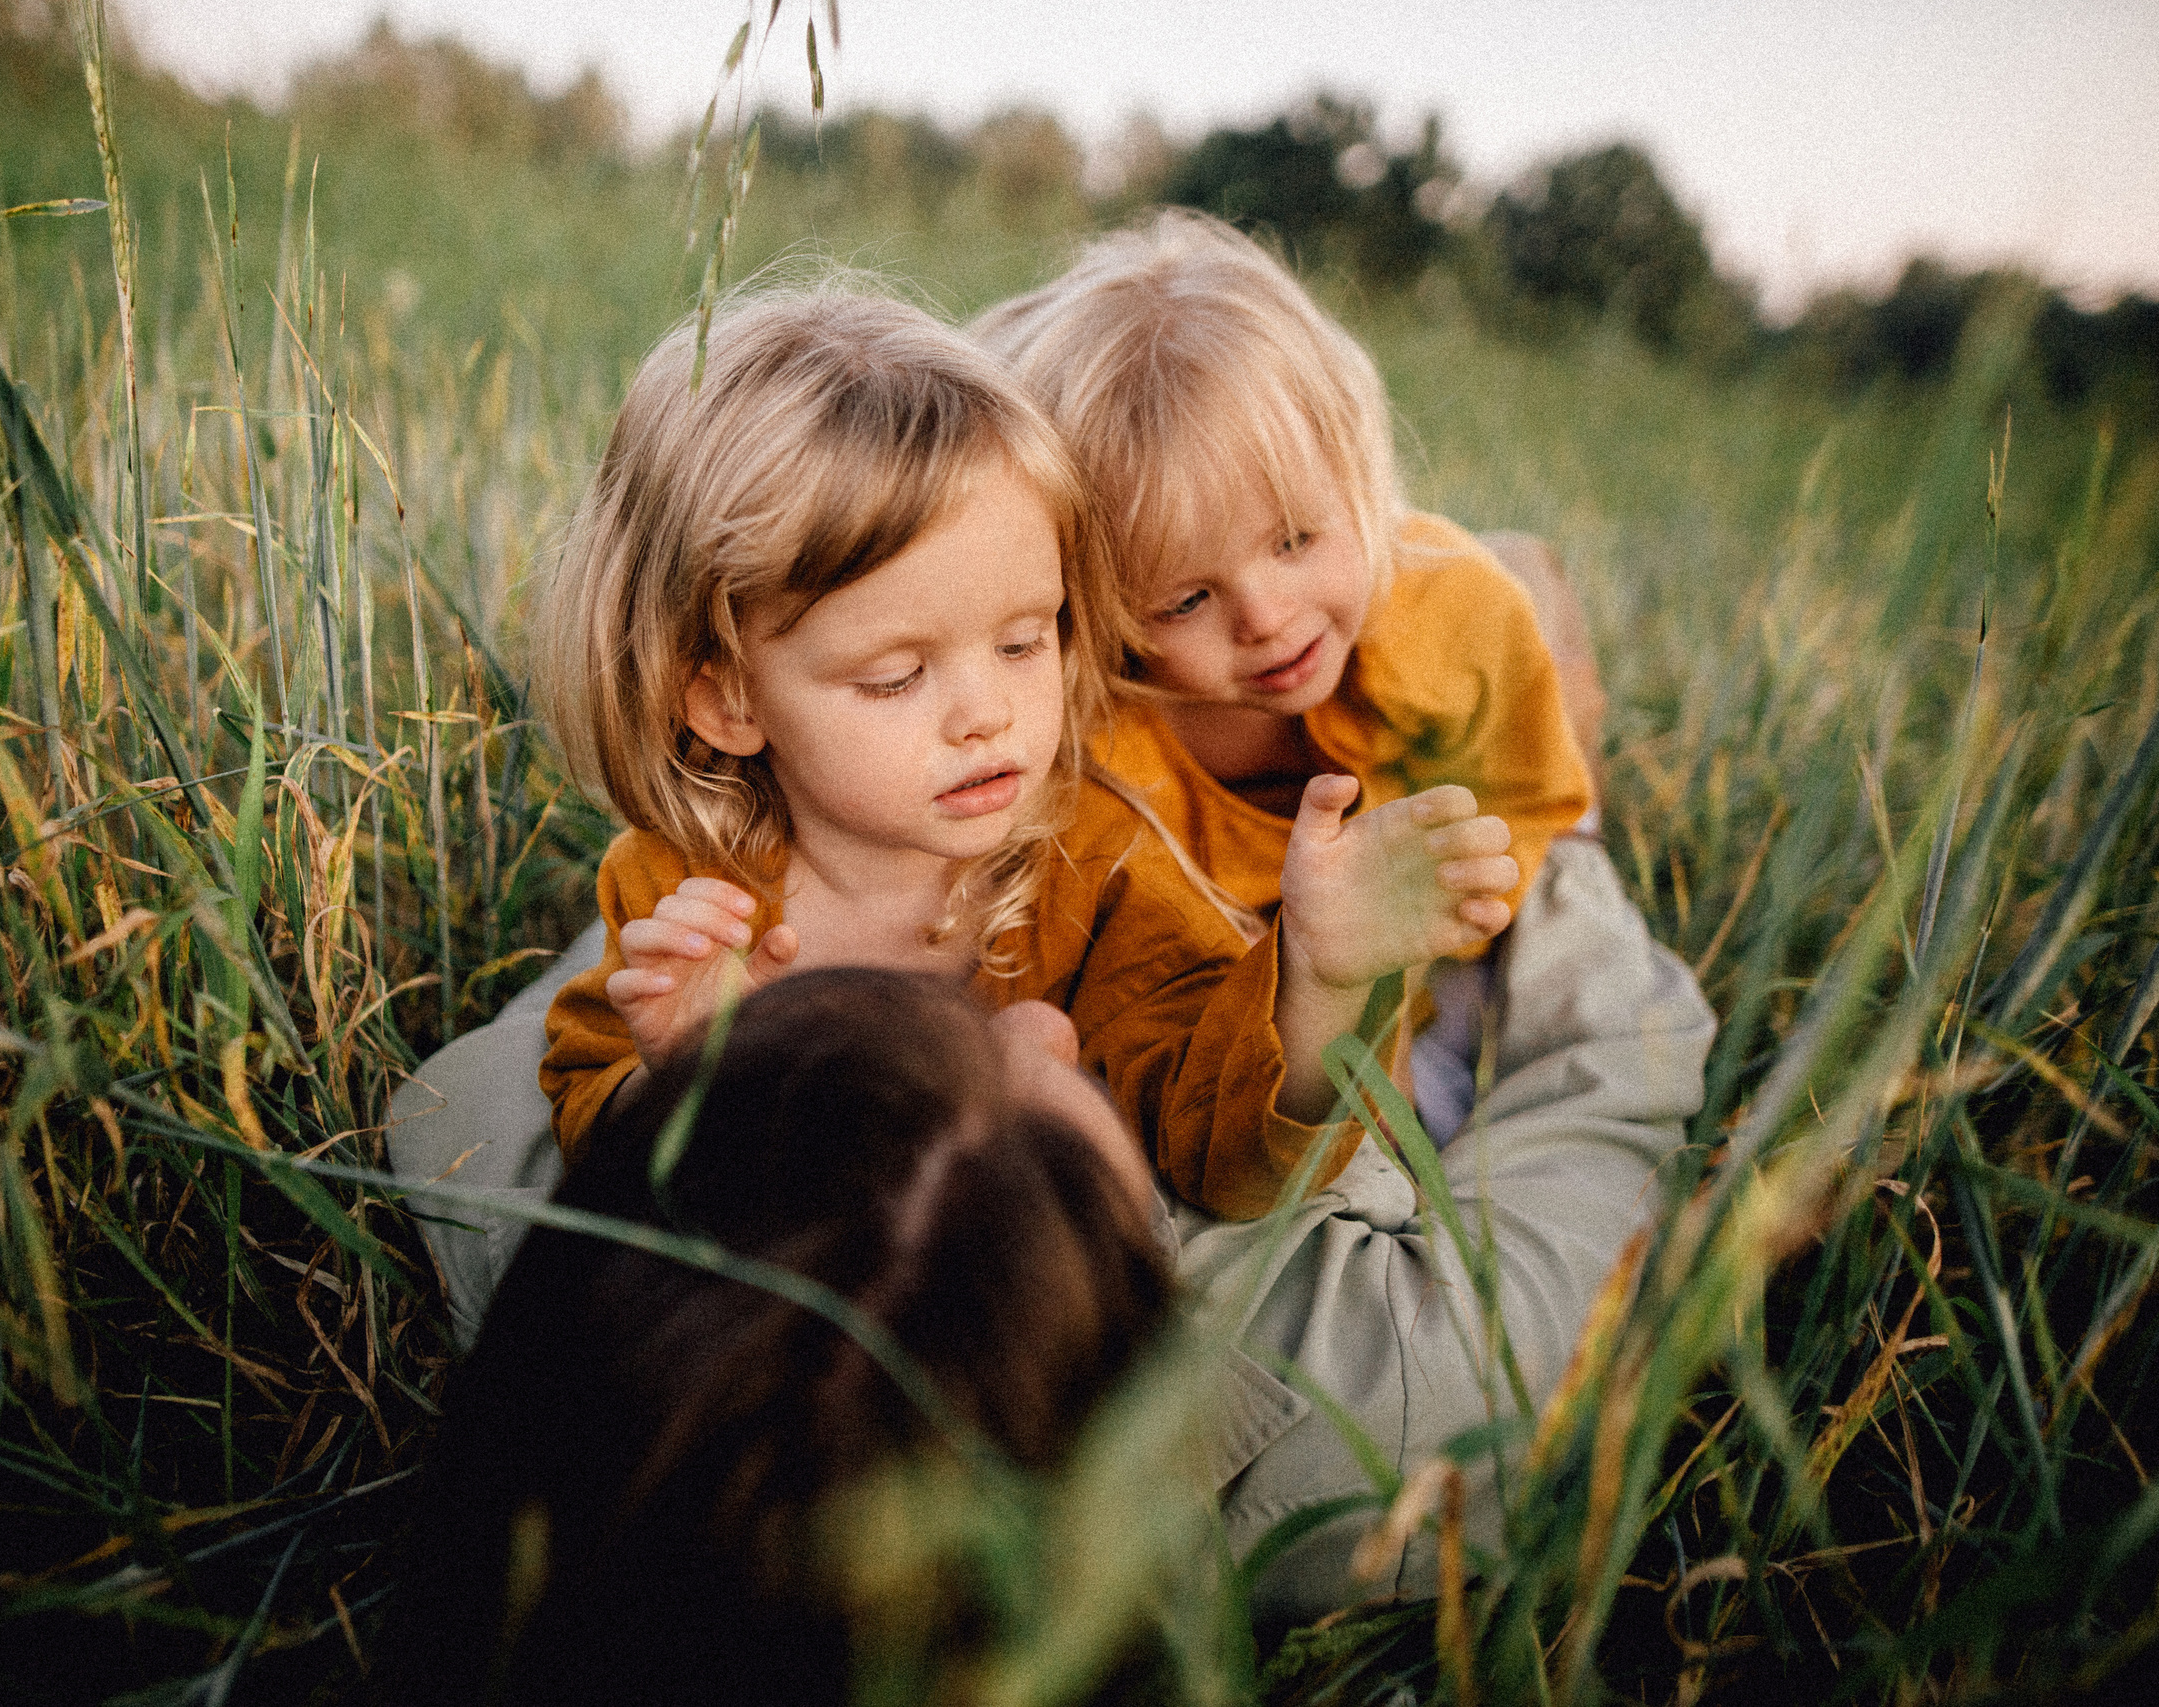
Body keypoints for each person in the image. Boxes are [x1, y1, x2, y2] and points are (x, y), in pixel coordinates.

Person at [533, 284, 1521, 1218]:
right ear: (725, 699)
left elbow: (1224, 1157)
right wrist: (693, 1081)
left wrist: (1320, 980)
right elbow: (589, 1107)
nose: (987, 715)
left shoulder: (1095, 862)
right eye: (894, 677)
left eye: (1023, 641)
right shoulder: (688, 888)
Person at [376, 968, 1183, 1706]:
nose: (1039, 1022)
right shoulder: (1289, 1455)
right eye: (1078, 1106)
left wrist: (705, 1048)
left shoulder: (458, 1124)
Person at [971, 208, 1598, 1143]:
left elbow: (1524, 784)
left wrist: (1458, 910)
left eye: (1298, 539)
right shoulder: (1101, 766)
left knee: (1546, 674)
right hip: (1252, 967)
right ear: (1089, 609)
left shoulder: (1457, 618)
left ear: (1358, 475)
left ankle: (1551, 606)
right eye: (1184, 599)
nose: (1266, 617)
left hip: (1442, 802)